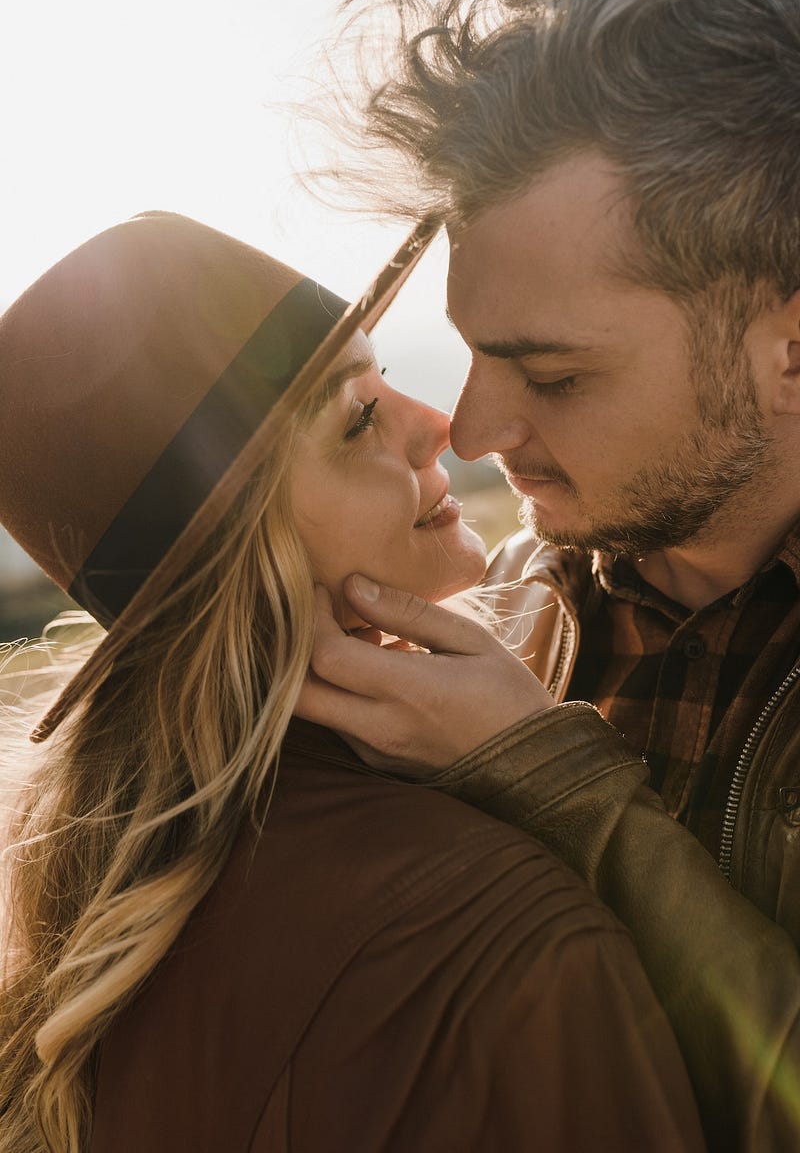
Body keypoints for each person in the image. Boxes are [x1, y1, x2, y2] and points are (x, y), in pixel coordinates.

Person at [0, 212, 704, 1153]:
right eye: (359, 417)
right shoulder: (505, 939)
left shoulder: (92, 914)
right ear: (241, 551)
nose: (439, 424)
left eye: (384, 379)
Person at [297, 0, 800, 1150]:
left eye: (554, 373)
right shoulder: (492, 619)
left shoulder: (496, 714)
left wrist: (548, 784)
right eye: (470, 352)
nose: (470, 431)